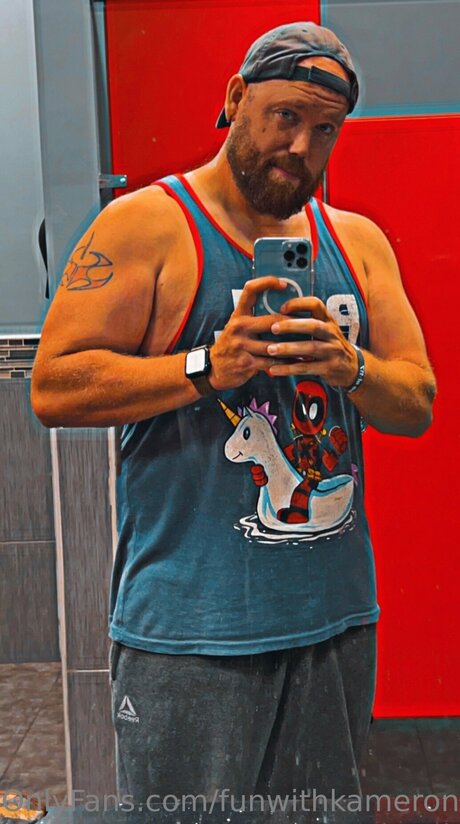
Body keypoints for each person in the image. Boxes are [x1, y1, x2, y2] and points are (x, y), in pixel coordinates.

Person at [31, 21, 436, 812]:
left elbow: (415, 400)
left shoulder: (356, 242)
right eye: (285, 116)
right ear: (235, 97)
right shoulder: (148, 225)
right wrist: (207, 368)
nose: (302, 147)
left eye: (325, 130)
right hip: (191, 634)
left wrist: (347, 366)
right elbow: (54, 386)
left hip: (334, 624)